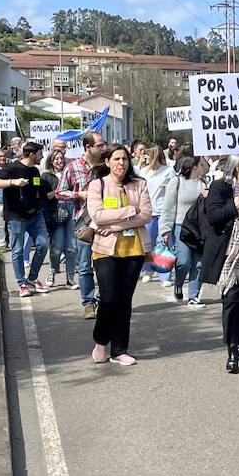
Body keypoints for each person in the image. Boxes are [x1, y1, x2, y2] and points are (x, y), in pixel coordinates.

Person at [86, 145, 152, 366]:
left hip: (134, 249)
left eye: (124, 159)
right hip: (105, 250)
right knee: (109, 298)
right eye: (116, 159)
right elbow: (96, 215)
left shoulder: (139, 184)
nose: (121, 163)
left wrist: (114, 225)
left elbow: (146, 215)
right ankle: (101, 339)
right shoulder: (98, 185)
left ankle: (120, 349)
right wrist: (128, 211)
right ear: (107, 162)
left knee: (124, 300)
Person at [200, 157, 239, 373]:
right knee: (231, 301)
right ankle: (231, 350)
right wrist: (235, 204)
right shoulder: (220, 187)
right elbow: (213, 217)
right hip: (228, 253)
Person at [0, 142, 50, 297]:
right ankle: (21, 283)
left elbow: (37, 190)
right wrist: (13, 182)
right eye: (39, 154)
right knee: (17, 250)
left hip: (35, 215)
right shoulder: (12, 168)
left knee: (43, 244)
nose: (42, 157)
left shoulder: (35, 171)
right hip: (16, 216)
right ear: (31, 154)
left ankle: (32, 277)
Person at [60, 132, 106, 320]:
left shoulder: (106, 166)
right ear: (88, 147)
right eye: (100, 145)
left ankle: (104, 300)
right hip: (83, 222)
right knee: (85, 265)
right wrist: (79, 195)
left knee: (105, 265)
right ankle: (88, 302)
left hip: (105, 222)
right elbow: (60, 192)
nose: (103, 148)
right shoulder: (72, 167)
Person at [159, 155, 209, 307]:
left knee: (199, 263)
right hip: (182, 227)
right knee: (184, 261)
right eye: (201, 164)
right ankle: (178, 283)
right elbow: (168, 208)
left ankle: (194, 296)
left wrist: (209, 196)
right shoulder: (177, 182)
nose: (204, 167)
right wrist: (165, 230)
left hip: (200, 228)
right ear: (194, 166)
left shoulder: (203, 183)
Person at [140, 146, 174, 285]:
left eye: (147, 155)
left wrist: (168, 187)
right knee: (148, 244)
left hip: (163, 212)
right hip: (148, 212)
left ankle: (164, 276)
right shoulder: (144, 172)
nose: (145, 157)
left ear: (154, 156)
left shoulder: (168, 171)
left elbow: (174, 188)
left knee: (164, 243)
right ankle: (147, 270)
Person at [42, 147, 76, 288]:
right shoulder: (46, 176)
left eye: (61, 158)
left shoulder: (70, 172)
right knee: (56, 246)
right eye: (56, 159)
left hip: (71, 209)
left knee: (71, 247)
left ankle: (70, 278)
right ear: (51, 160)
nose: (59, 161)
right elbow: (44, 197)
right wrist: (58, 191)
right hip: (56, 211)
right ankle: (53, 270)